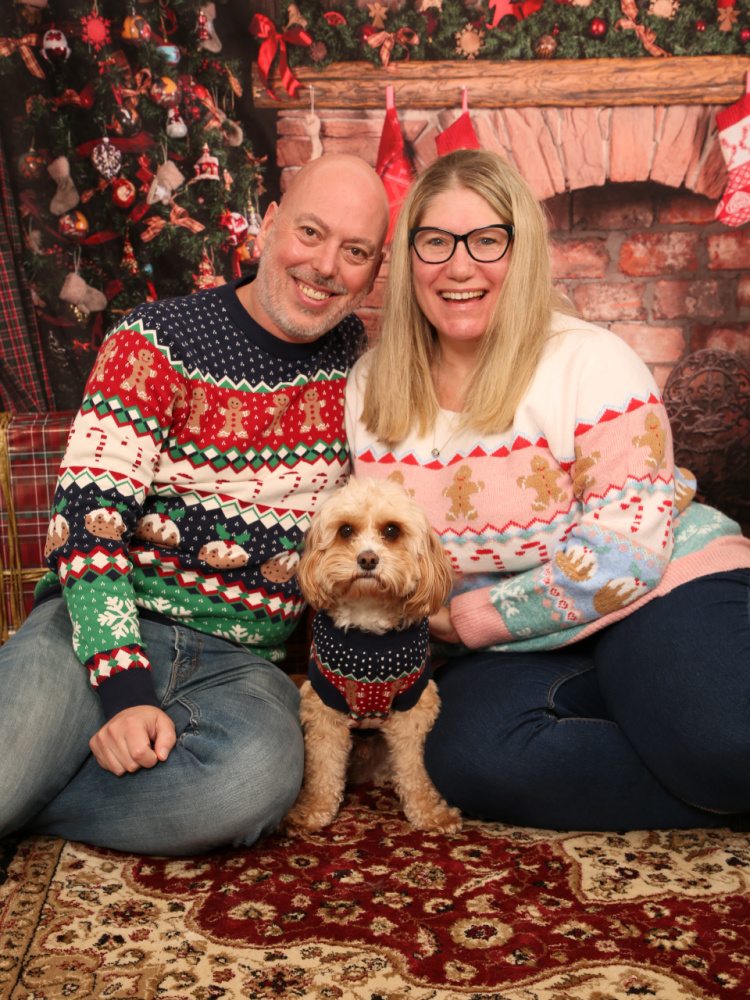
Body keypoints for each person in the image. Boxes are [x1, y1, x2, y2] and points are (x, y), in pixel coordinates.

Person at [345, 148, 750, 832]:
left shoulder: (591, 361)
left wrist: (468, 618)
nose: (460, 266)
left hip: (659, 589)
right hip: (514, 649)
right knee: (468, 757)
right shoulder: (370, 387)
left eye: (487, 241)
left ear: (522, 252)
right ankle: (690, 756)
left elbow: (626, 558)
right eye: (435, 242)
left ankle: (703, 745)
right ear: (408, 256)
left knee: (726, 745)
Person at [0, 153, 389, 855]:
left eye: (355, 251)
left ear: (375, 269)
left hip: (240, 667)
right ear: (269, 226)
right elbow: (87, 529)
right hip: (99, 628)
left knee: (251, 785)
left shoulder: (354, 363)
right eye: (310, 232)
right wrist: (123, 692)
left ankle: (34, 805)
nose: (326, 265)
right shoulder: (154, 340)